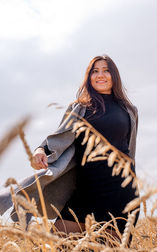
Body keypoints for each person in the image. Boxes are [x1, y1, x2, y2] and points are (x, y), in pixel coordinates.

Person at [31, 55, 139, 234]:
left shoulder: (129, 110)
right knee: (55, 244)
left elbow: (130, 150)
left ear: (114, 76)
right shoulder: (79, 108)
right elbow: (59, 137)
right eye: (95, 71)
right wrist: (40, 150)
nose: (100, 75)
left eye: (106, 70)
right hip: (86, 189)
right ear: (89, 77)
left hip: (120, 192)